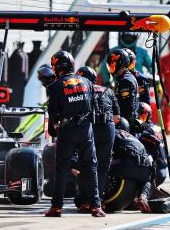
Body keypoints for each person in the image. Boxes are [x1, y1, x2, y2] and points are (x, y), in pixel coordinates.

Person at [45, 51, 104, 217]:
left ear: (57, 67)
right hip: (86, 130)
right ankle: (96, 207)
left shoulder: (55, 86)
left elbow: (53, 113)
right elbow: (94, 106)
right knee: (91, 168)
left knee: (61, 169)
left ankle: (56, 208)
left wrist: (55, 128)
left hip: (67, 131)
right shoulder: (87, 82)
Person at [76, 66, 120, 199]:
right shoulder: (108, 91)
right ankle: (98, 200)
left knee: (87, 164)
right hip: (108, 128)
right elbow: (117, 117)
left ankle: (86, 199)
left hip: (90, 129)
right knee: (102, 167)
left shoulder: (81, 92)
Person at [106, 48, 139, 128]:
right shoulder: (126, 77)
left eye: (112, 64)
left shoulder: (125, 81)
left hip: (126, 125)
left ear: (119, 63)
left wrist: (122, 125)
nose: (111, 67)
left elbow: (128, 108)